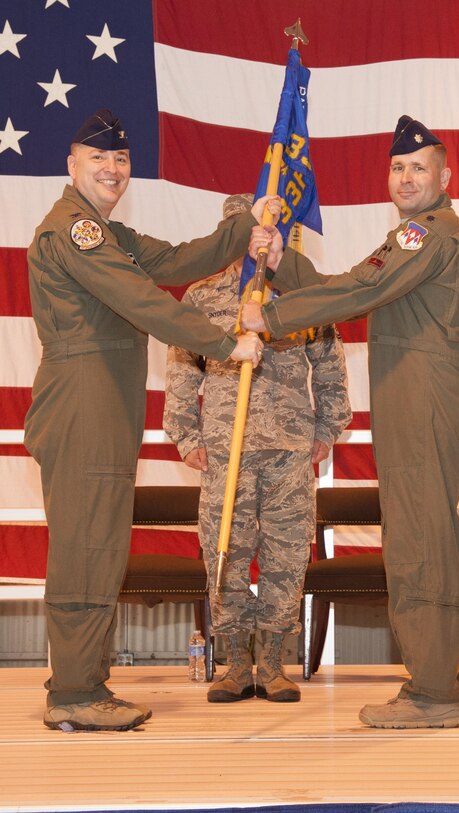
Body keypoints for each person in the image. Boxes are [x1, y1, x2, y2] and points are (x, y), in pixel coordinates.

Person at [24, 108, 277, 732]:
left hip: (102, 404)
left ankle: (81, 682)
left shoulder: (107, 234)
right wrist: (223, 343)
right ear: (71, 165)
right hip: (83, 402)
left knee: (99, 545)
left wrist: (243, 228)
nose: (112, 169)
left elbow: (175, 262)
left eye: (122, 160)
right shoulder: (75, 232)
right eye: (99, 158)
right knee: (87, 548)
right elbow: (141, 299)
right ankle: (77, 694)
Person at [241, 115, 459, 729]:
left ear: (445, 177)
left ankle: (433, 694)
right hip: (414, 399)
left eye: (418, 168)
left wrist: (272, 315)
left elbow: (356, 292)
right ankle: (430, 685)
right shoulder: (413, 237)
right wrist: (282, 260)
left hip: (424, 400)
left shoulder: (430, 233)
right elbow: (350, 285)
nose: (405, 177)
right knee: (416, 538)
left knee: (421, 544)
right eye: (398, 167)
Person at [164, 193, 351, 703]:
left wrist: (327, 429)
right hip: (226, 453)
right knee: (223, 554)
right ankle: (234, 665)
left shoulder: (300, 296)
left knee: (286, 557)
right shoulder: (202, 298)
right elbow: (182, 372)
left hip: (290, 451)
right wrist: (186, 436)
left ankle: (271, 664)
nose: (255, 240)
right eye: (247, 230)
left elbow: (330, 367)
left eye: (265, 230)